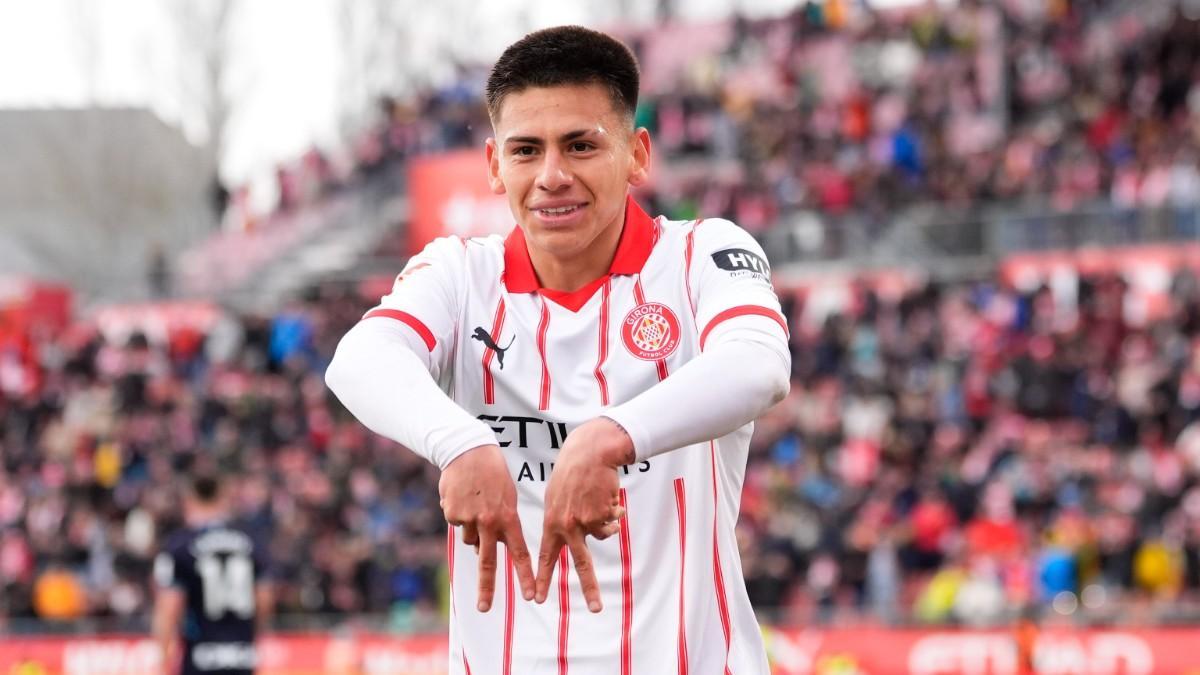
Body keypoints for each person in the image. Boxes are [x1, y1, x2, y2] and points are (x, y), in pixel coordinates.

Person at [326, 25, 791, 673]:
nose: (552, 176)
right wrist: (458, 441)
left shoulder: (699, 257)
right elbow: (360, 356)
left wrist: (610, 435)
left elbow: (760, 361)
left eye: (580, 145)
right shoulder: (461, 276)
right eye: (526, 150)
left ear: (637, 154)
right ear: (493, 165)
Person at [152, 473, 273, 675]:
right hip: (242, 656)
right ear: (223, 498)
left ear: (189, 500)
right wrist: (252, 639)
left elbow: (168, 608)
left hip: (199, 657)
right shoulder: (252, 542)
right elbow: (264, 600)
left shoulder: (180, 545)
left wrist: (164, 662)